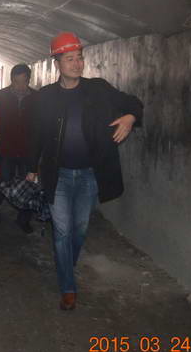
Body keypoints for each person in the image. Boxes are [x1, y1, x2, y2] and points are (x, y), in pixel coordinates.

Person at [26, 32, 143, 310]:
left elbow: (133, 103)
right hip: (58, 175)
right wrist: (32, 167)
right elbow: (36, 135)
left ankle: (66, 264)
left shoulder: (98, 89)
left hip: (90, 174)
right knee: (62, 231)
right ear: (57, 63)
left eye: (79, 58)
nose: (77, 64)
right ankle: (68, 286)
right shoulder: (46, 97)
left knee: (79, 230)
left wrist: (130, 118)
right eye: (70, 59)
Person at [0, 64, 37, 233]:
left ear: (29, 80)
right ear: (11, 80)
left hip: (28, 151)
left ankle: (23, 219)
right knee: (2, 183)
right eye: (16, 81)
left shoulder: (36, 98)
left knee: (28, 186)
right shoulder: (0, 96)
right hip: (6, 150)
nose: (20, 86)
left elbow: (40, 126)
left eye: (24, 81)